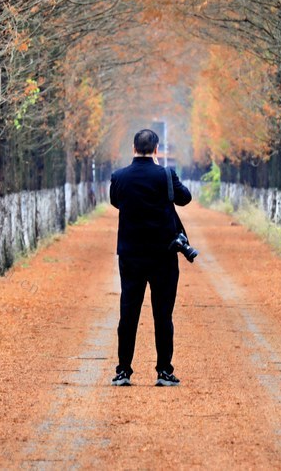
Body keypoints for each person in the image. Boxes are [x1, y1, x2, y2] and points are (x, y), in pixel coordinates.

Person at [108, 128, 192, 386]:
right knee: (163, 314)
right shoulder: (166, 175)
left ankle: (123, 371)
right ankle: (164, 371)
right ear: (156, 150)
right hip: (163, 256)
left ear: (133, 148)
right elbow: (185, 198)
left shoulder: (119, 177)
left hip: (131, 256)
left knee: (128, 313)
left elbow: (115, 202)